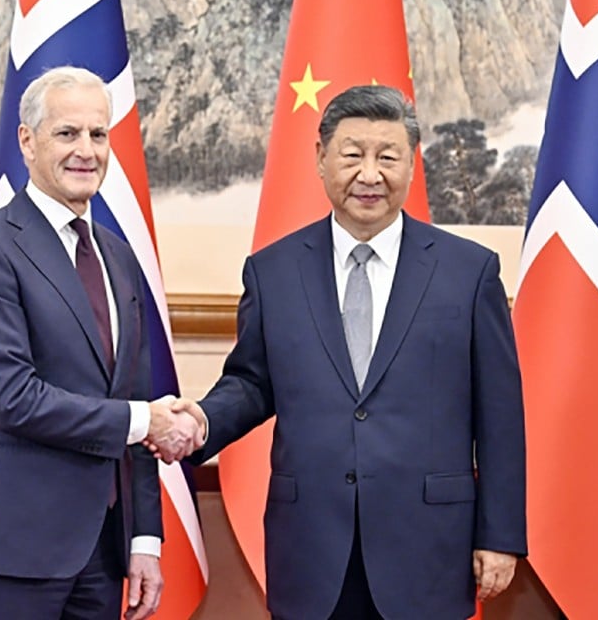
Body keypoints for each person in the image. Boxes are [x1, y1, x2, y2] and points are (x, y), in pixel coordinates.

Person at [159, 85, 527, 619]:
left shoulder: (468, 273)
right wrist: (200, 421)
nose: (370, 174)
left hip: (428, 549)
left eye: (388, 156)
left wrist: (500, 535)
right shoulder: (273, 270)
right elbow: (252, 383)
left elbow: (500, 416)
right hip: (312, 546)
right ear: (321, 158)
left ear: (411, 163)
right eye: (353, 155)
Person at [0, 66, 201, 620]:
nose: (87, 150)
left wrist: (144, 539)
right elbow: (13, 398)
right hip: (10, 547)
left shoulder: (119, 258)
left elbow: (136, 394)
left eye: (98, 135)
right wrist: (147, 421)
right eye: (67, 133)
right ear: (27, 141)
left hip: (102, 552)